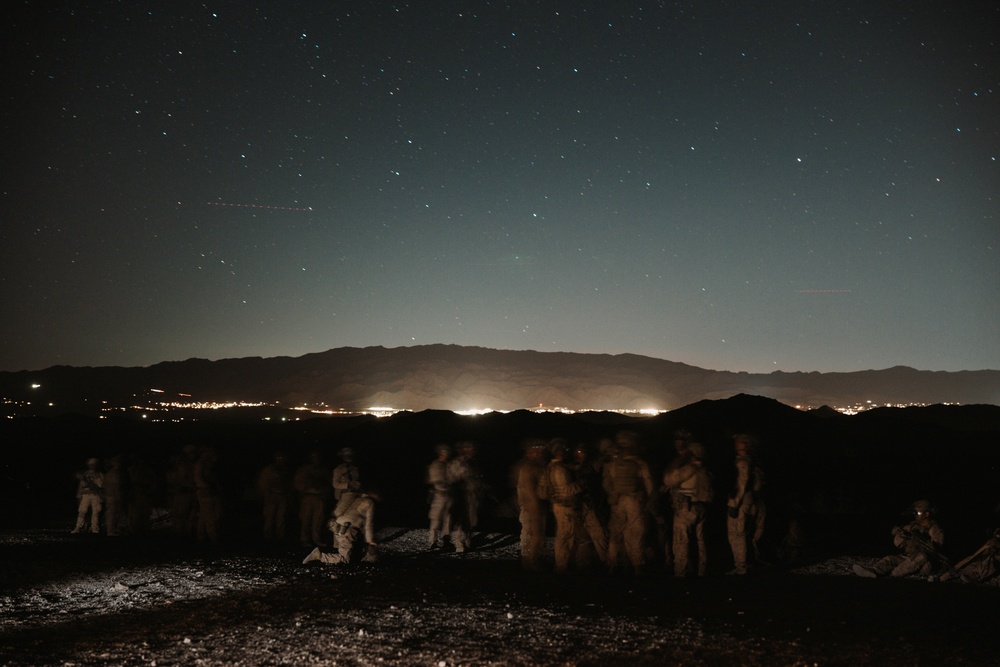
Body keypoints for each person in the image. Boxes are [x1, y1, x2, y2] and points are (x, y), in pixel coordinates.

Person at [603, 431, 654, 574]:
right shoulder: (640, 464)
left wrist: (613, 495)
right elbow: (648, 484)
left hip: (617, 501)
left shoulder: (612, 464)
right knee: (636, 534)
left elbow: (607, 484)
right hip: (634, 500)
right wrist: (648, 499)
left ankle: (613, 565)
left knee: (615, 534)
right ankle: (637, 565)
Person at [853, 499, 946, 578]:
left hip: (927, 562)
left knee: (921, 557)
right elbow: (900, 530)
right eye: (914, 512)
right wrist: (899, 532)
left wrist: (920, 542)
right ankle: (874, 570)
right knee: (890, 559)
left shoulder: (934, 528)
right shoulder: (914, 525)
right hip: (910, 557)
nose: (915, 515)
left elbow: (936, 547)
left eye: (918, 512)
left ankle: (891, 574)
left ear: (927, 514)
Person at [662, 442, 713, 576]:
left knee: (681, 540)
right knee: (701, 541)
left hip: (687, 508)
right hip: (702, 508)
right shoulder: (706, 471)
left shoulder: (690, 468)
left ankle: (680, 572)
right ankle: (702, 570)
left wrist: (675, 464)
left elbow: (669, 479)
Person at [302, 490, 380, 565]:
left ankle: (361, 558)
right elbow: (369, 523)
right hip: (347, 530)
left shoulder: (357, 499)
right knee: (345, 559)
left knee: (351, 552)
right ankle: (319, 556)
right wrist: (370, 540)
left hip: (338, 527)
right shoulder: (369, 502)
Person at [726, 434, 766, 575]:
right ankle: (744, 564)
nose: (737, 443)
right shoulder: (752, 461)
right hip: (749, 502)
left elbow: (742, 484)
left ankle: (741, 567)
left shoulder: (743, 462)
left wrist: (734, 503)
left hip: (741, 503)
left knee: (737, 535)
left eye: (741, 442)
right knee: (743, 534)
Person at [548, 439, 585, 574]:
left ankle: (564, 564)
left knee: (566, 535)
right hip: (564, 506)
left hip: (561, 505)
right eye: (561, 450)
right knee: (564, 536)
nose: (564, 452)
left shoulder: (555, 467)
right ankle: (561, 566)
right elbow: (566, 490)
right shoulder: (559, 469)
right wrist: (582, 484)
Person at [660, 428, 693, 570]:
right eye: (676, 439)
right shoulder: (675, 458)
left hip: (686, 498)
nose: (678, 442)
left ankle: (683, 566)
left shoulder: (690, 458)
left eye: (681, 439)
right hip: (674, 498)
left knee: (683, 533)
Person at [512, 439, 548, 570]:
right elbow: (527, 489)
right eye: (536, 449)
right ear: (529, 452)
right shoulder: (528, 468)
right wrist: (535, 507)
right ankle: (530, 561)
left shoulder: (536, 465)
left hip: (534, 505)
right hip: (531, 507)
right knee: (533, 534)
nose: (539, 452)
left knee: (532, 534)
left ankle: (530, 560)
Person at [447, 441, 483, 553]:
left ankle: (467, 541)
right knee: (461, 520)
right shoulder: (456, 463)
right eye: (468, 449)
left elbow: (477, 479)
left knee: (471, 521)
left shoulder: (473, 463)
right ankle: (459, 544)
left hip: (472, 496)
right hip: (460, 496)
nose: (471, 451)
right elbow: (451, 479)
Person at [294, 450, 330, 548]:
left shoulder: (324, 470)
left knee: (318, 519)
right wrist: (308, 489)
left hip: (319, 498)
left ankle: (316, 539)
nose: (316, 459)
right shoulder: (304, 470)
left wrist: (323, 491)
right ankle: (305, 539)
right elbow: (298, 483)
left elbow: (328, 484)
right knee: (306, 519)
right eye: (314, 456)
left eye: (317, 457)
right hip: (307, 497)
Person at [165, 444, 199, 540]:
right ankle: (180, 535)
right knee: (182, 515)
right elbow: (181, 480)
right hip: (184, 494)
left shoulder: (189, 465)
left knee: (187, 515)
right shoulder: (184, 465)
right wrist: (192, 486)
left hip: (187, 493)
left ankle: (184, 535)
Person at [258, 451, 292, 540]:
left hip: (282, 497)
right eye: (279, 458)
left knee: (281, 517)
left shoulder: (286, 470)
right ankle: (268, 536)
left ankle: (280, 537)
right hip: (271, 497)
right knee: (269, 517)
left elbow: (289, 485)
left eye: (282, 458)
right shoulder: (269, 470)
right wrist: (265, 496)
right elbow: (263, 484)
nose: (280, 460)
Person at [193, 446, 222, 543]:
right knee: (210, 516)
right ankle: (214, 538)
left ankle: (201, 537)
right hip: (206, 493)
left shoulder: (208, 463)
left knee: (204, 516)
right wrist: (207, 487)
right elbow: (198, 478)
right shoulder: (201, 463)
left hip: (209, 492)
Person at [426, 444, 453, 549]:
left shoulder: (448, 464)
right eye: (444, 452)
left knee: (448, 519)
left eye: (447, 452)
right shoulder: (436, 464)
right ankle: (433, 541)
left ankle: (446, 540)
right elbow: (436, 481)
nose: (446, 454)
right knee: (436, 519)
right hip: (439, 495)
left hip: (449, 496)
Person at [71, 458, 104, 534]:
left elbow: (101, 485)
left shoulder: (99, 474)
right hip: (86, 495)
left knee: (95, 512)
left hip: (95, 495)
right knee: (82, 511)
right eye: (91, 464)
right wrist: (79, 495)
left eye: (94, 464)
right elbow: (81, 485)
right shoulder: (85, 474)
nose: (92, 466)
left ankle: (94, 527)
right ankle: (78, 527)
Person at [102, 455, 125, 537]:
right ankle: (111, 531)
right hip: (112, 497)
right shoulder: (112, 474)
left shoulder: (118, 474)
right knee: (111, 514)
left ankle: (113, 530)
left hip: (115, 497)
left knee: (115, 514)